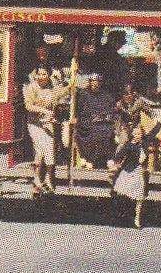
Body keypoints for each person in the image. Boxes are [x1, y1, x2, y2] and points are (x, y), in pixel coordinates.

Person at [23, 64, 66, 196]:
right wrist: (43, 111)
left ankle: (48, 178)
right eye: (39, 74)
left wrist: (69, 84)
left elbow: (62, 94)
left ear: (49, 75)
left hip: (48, 124)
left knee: (49, 150)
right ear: (35, 75)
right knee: (40, 149)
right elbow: (28, 106)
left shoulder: (52, 88)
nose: (42, 77)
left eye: (44, 74)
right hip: (35, 124)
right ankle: (37, 178)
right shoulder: (30, 88)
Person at [108, 108, 148, 227]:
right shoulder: (129, 146)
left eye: (139, 134)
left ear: (142, 135)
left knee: (139, 197)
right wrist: (114, 162)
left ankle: (137, 218)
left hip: (139, 171)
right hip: (128, 171)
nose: (136, 136)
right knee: (120, 193)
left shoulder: (145, 143)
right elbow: (119, 155)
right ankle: (120, 215)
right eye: (135, 134)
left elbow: (154, 131)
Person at [74, 71, 116, 170]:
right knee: (94, 132)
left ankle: (108, 159)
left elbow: (109, 110)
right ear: (90, 82)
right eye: (93, 81)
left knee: (107, 132)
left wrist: (102, 116)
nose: (95, 83)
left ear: (100, 83)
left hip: (102, 122)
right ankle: (89, 159)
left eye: (97, 81)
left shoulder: (106, 96)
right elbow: (78, 109)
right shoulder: (83, 94)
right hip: (85, 122)